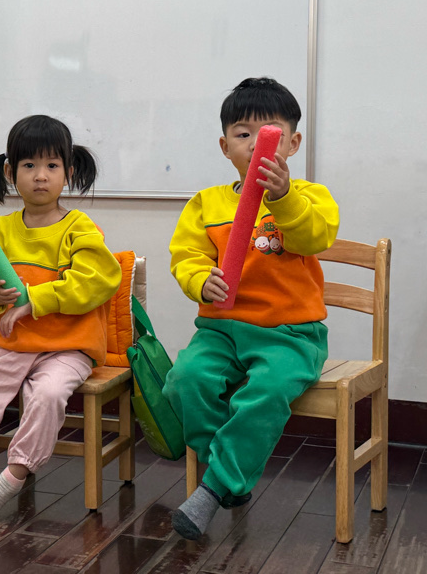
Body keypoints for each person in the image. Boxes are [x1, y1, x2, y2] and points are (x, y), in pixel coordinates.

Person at [163, 77, 339, 539]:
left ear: (293, 144)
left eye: (270, 135)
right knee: (184, 381)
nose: (256, 145)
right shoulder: (207, 203)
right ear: (225, 147)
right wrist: (200, 281)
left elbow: (314, 238)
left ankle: (213, 487)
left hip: (290, 333)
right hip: (221, 330)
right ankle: (226, 477)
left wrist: (282, 198)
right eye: (243, 134)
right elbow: (186, 257)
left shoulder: (311, 197)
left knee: (265, 391)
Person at [0, 115, 122, 524]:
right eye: (29, 165)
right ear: (9, 172)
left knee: (47, 395)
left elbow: (99, 281)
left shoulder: (79, 227)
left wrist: (35, 299)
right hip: (10, 343)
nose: (40, 176)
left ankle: (11, 480)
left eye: (52, 165)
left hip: (68, 347)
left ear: (69, 172)